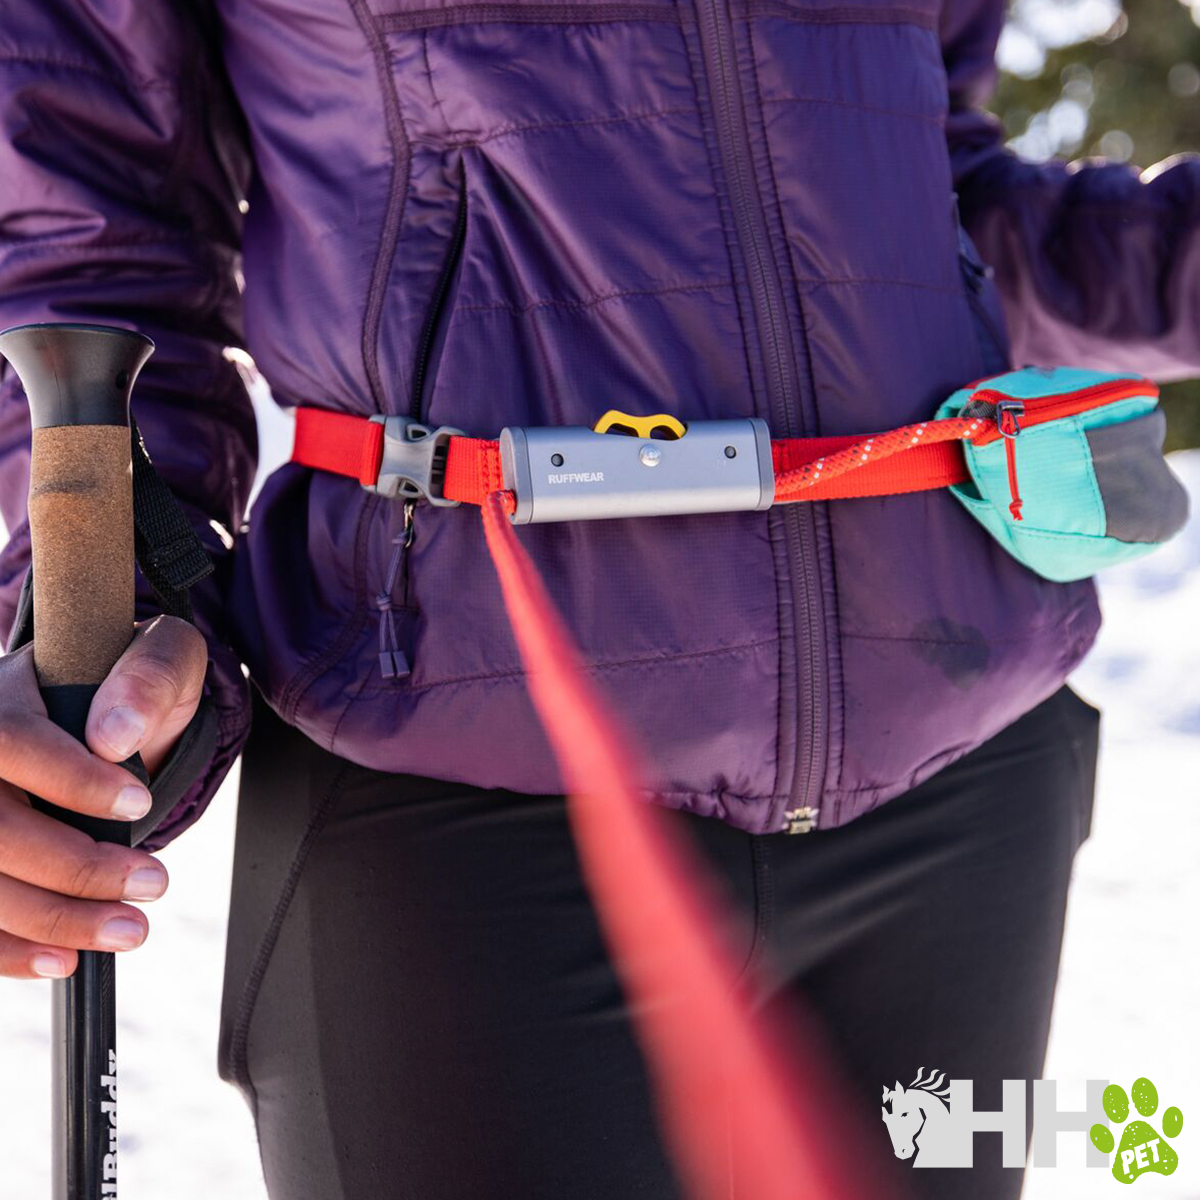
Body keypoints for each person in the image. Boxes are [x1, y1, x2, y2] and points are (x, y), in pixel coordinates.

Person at [0, 2, 1195, 1197]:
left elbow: (933, 193)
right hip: (461, 793)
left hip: (961, 772)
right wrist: (111, 592)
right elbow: (92, 250)